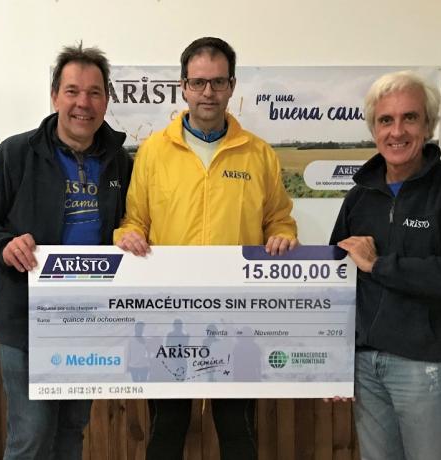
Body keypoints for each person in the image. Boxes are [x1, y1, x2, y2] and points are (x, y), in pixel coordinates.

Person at [114, 37, 298, 460]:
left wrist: (283, 234)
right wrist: (124, 235)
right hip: (167, 321)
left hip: (236, 323)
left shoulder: (259, 154)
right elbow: (134, 220)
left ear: (232, 85)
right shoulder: (153, 152)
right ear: (183, 87)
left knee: (238, 435)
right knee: (166, 433)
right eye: (198, 83)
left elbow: (280, 218)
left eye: (217, 82)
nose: (208, 93)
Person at [0, 43, 132, 460]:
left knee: (71, 432)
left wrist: (131, 234)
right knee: (33, 436)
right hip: (25, 319)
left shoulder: (122, 164)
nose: (83, 103)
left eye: (94, 92)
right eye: (73, 91)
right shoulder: (17, 153)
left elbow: (134, 223)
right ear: (55, 95)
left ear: (106, 100)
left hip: (90, 321)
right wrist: (3, 245)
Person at [329, 70, 441, 460]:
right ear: (373, 129)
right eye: (386, 120)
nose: (396, 131)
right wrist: (330, 360)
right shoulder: (359, 197)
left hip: (425, 365)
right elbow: (336, 277)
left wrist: (380, 265)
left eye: (410, 117)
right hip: (365, 366)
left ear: (429, 125)